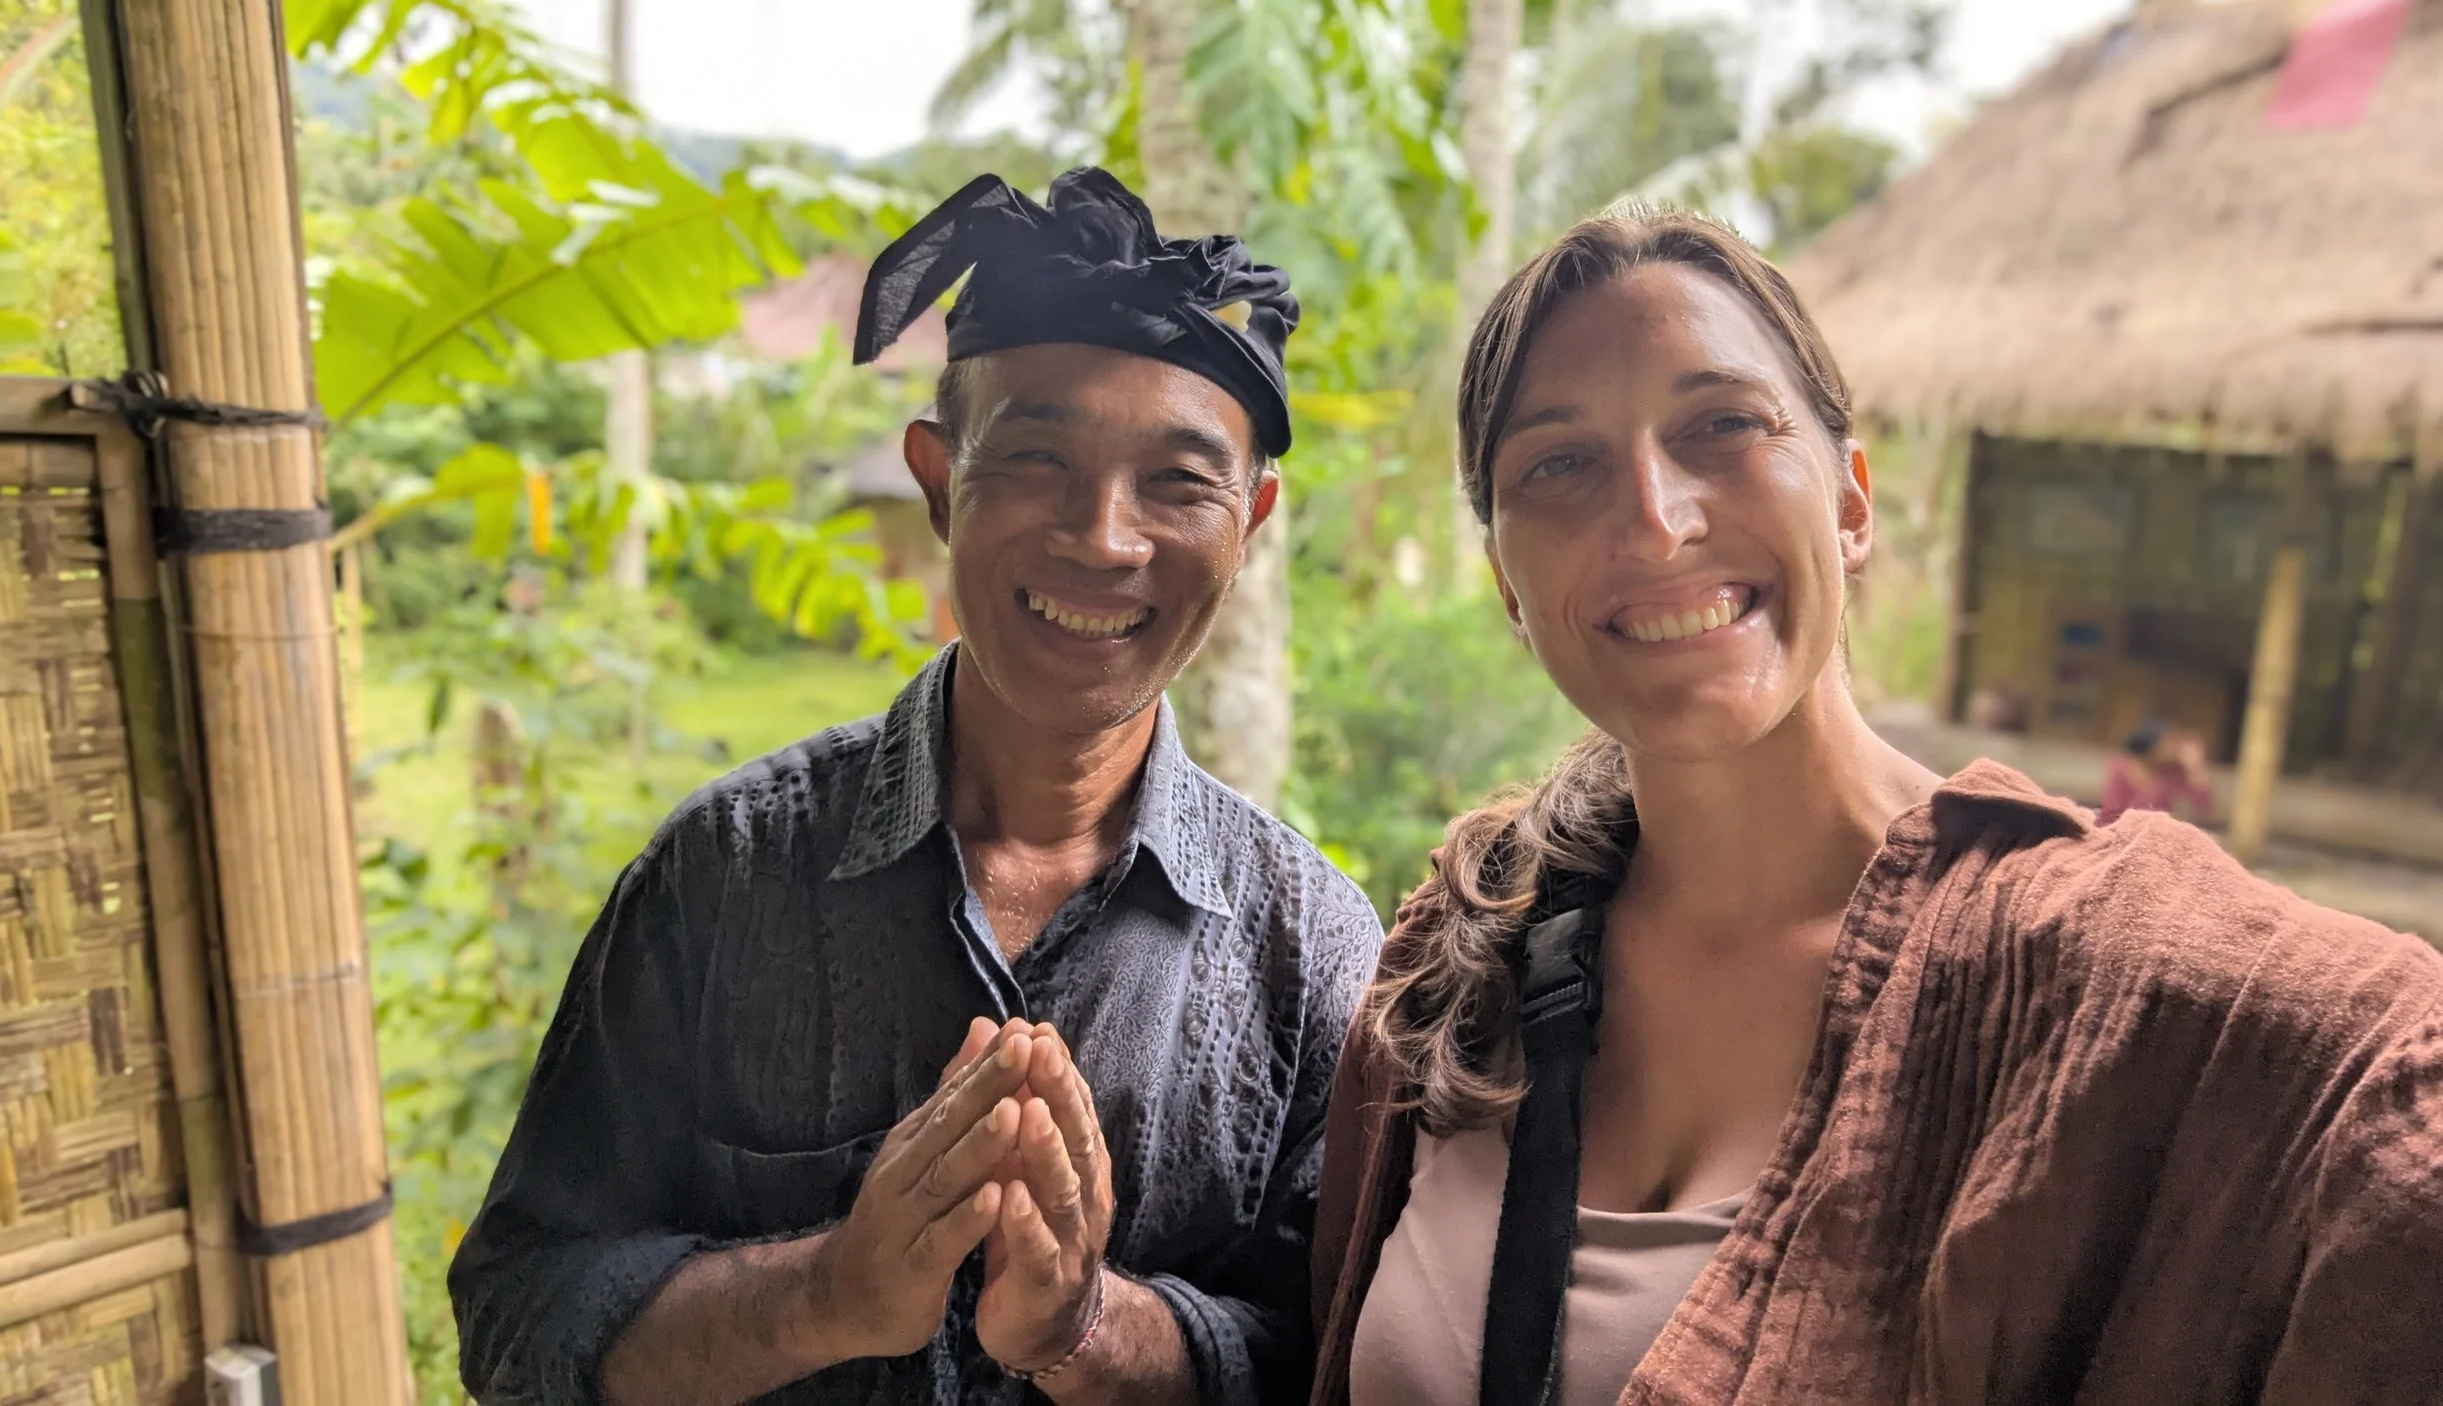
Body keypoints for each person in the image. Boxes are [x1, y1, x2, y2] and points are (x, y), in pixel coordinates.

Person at [1306, 208, 2443, 1405]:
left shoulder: (2088, 958)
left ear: (1850, 505)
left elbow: (2396, 1095)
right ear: (1506, 587)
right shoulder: (1459, 957)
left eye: (1722, 426)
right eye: (1559, 463)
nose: (1653, 514)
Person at [449, 167, 1385, 1406]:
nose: (1103, 535)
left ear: (1250, 518)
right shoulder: (721, 875)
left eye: (1177, 479)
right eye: (1039, 457)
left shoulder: (1314, 951)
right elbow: (520, 1316)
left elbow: (1334, 1365)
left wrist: (1083, 1325)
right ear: (939, 479)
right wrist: (828, 1292)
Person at [2099, 717, 2215, 826]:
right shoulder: (2122, 768)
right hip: (2122, 833)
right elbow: (2110, 814)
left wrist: (2195, 768)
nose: (2173, 747)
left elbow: (2203, 808)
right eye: (2168, 741)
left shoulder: (2173, 773)